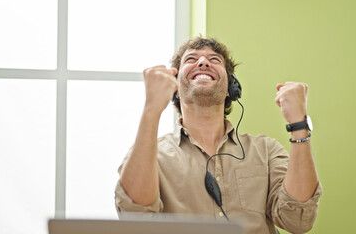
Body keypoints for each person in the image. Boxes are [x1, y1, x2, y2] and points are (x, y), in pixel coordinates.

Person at [115, 37, 322, 234]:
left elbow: (298, 221)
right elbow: (136, 220)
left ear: (231, 89)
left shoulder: (266, 150)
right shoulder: (151, 154)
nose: (203, 62)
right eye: (191, 59)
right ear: (175, 88)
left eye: (214, 60)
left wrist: (299, 124)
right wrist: (151, 109)